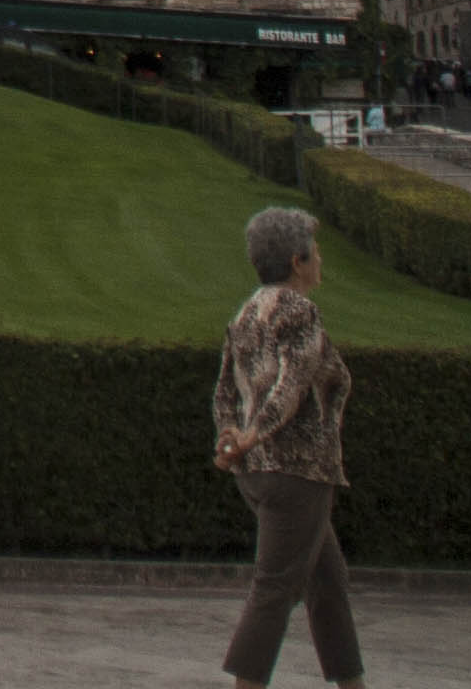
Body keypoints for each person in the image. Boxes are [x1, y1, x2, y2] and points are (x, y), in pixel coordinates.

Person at [211, 205, 364, 689]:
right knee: (275, 589)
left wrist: (232, 436)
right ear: (297, 262)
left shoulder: (247, 310)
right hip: (296, 472)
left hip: (259, 473)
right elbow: (293, 382)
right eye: (316, 252)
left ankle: (352, 684)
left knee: (327, 584)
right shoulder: (298, 310)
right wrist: (253, 433)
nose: (321, 259)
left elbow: (225, 391)